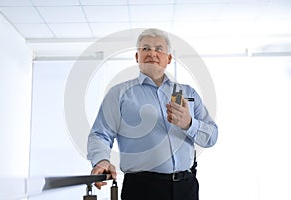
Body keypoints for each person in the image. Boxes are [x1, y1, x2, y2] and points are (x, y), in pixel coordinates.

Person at [87, 28, 218, 200]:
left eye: (159, 49)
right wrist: (101, 160)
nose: (152, 53)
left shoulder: (187, 93)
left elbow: (211, 136)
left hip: (186, 187)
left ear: (168, 58)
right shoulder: (119, 94)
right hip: (142, 189)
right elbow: (100, 134)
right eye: (146, 48)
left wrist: (189, 123)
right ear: (137, 57)